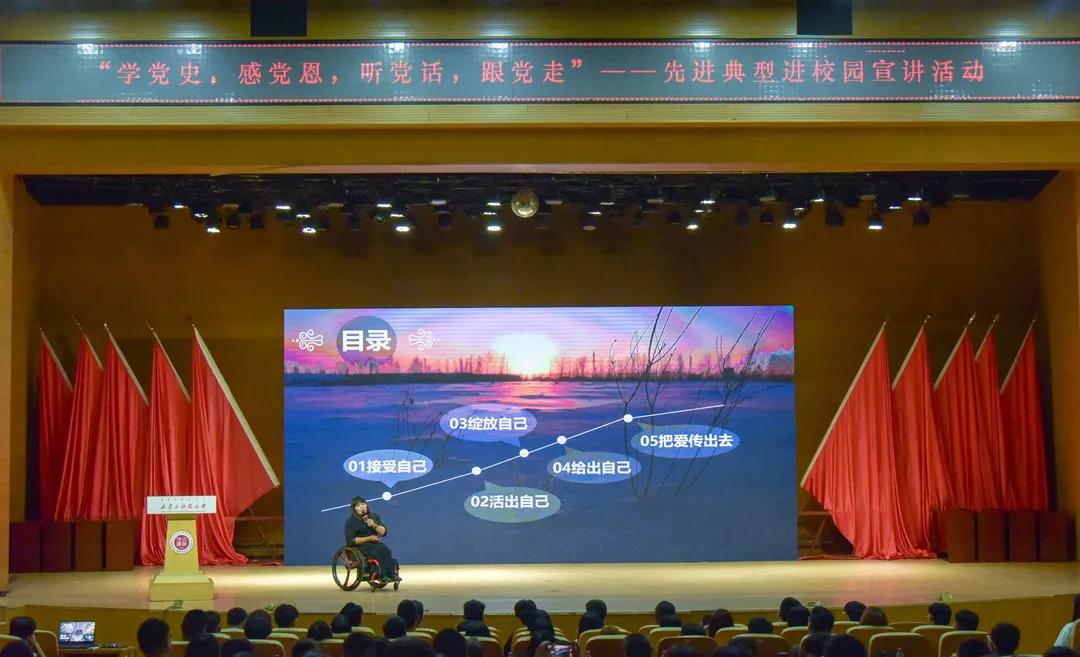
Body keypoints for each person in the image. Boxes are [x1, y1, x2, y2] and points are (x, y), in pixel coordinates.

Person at [345, 496, 399, 583]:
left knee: (386, 550)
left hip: (374, 543)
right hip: (360, 546)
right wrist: (369, 538)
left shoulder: (373, 516)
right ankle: (381, 575)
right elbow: (350, 540)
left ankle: (391, 574)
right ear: (354, 509)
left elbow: (384, 532)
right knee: (377, 551)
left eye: (363, 504)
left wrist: (374, 525)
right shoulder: (351, 521)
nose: (361, 507)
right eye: (358, 506)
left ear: (366, 505)